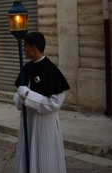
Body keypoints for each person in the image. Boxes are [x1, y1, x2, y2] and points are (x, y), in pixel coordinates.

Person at [13, 32, 70, 173]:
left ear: (33, 48)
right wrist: (19, 99)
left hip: (44, 124)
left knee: (45, 160)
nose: (23, 50)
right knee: (26, 158)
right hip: (28, 122)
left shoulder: (51, 71)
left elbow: (54, 104)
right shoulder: (26, 68)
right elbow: (17, 97)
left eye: (25, 46)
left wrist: (28, 95)